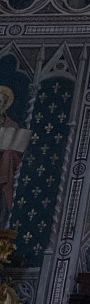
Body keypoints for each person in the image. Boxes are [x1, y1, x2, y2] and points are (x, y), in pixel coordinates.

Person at [0, 86, 30, 229]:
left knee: (9, 154)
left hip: (4, 161)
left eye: (1, 102)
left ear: (5, 104)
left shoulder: (11, 124)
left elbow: (16, 147)